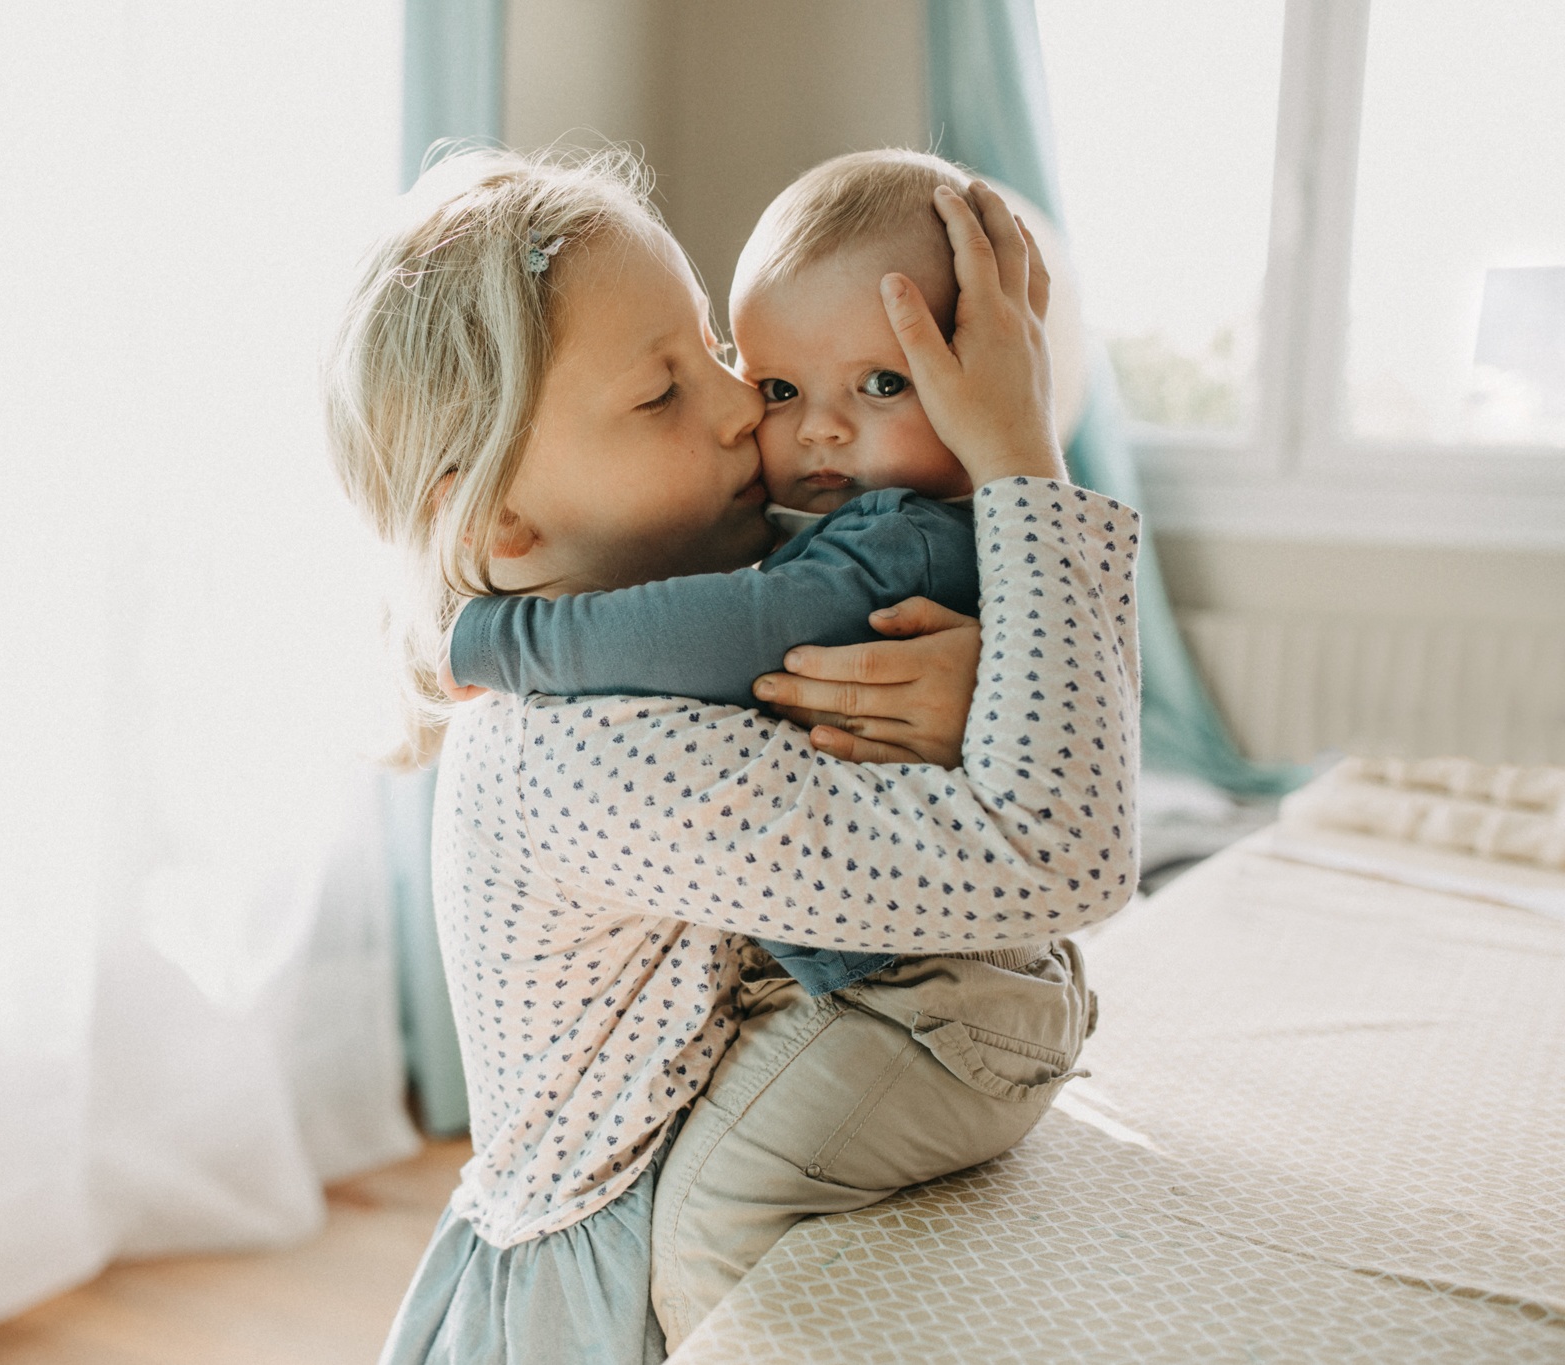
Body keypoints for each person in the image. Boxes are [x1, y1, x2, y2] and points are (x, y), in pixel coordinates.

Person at [325, 147, 1140, 1364]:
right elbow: (1059, 854)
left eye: (717, 353)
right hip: (615, 1278)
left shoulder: (709, 609)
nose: (736, 411)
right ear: (501, 517)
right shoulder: (589, 754)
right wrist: (1018, 459)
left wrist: (985, 683)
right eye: (663, 394)